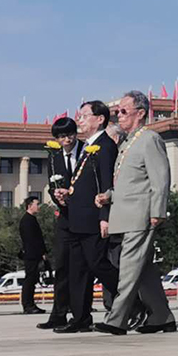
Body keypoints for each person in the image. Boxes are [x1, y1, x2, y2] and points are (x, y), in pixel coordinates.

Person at [92, 91, 176, 336]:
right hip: (125, 215)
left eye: (123, 111)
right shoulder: (129, 142)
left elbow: (160, 178)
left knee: (128, 271)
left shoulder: (149, 139)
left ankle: (117, 320)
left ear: (140, 113)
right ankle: (161, 316)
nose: (118, 116)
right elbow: (131, 182)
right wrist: (108, 196)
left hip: (140, 216)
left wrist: (158, 210)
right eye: (117, 111)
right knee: (144, 271)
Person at [55, 100, 119, 333]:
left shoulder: (105, 146)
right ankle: (80, 317)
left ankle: (132, 301)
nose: (79, 120)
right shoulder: (88, 146)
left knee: (99, 265)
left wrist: (105, 216)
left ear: (99, 119)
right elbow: (85, 182)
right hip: (77, 218)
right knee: (78, 271)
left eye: (84, 116)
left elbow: (106, 185)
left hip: (93, 219)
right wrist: (68, 194)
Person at [37, 116, 79, 330]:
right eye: (62, 137)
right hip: (64, 217)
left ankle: (81, 315)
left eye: (70, 135)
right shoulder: (54, 157)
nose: (67, 140)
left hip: (84, 215)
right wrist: (58, 198)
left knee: (83, 268)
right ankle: (58, 314)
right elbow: (51, 184)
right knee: (61, 266)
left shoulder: (87, 152)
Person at [18, 196, 47, 314]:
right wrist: (40, 253)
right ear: (30, 206)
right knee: (29, 280)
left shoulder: (31, 219)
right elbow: (31, 240)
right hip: (31, 255)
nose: (39, 206)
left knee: (32, 279)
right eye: (37, 204)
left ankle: (31, 304)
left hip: (34, 254)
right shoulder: (27, 220)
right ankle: (28, 305)